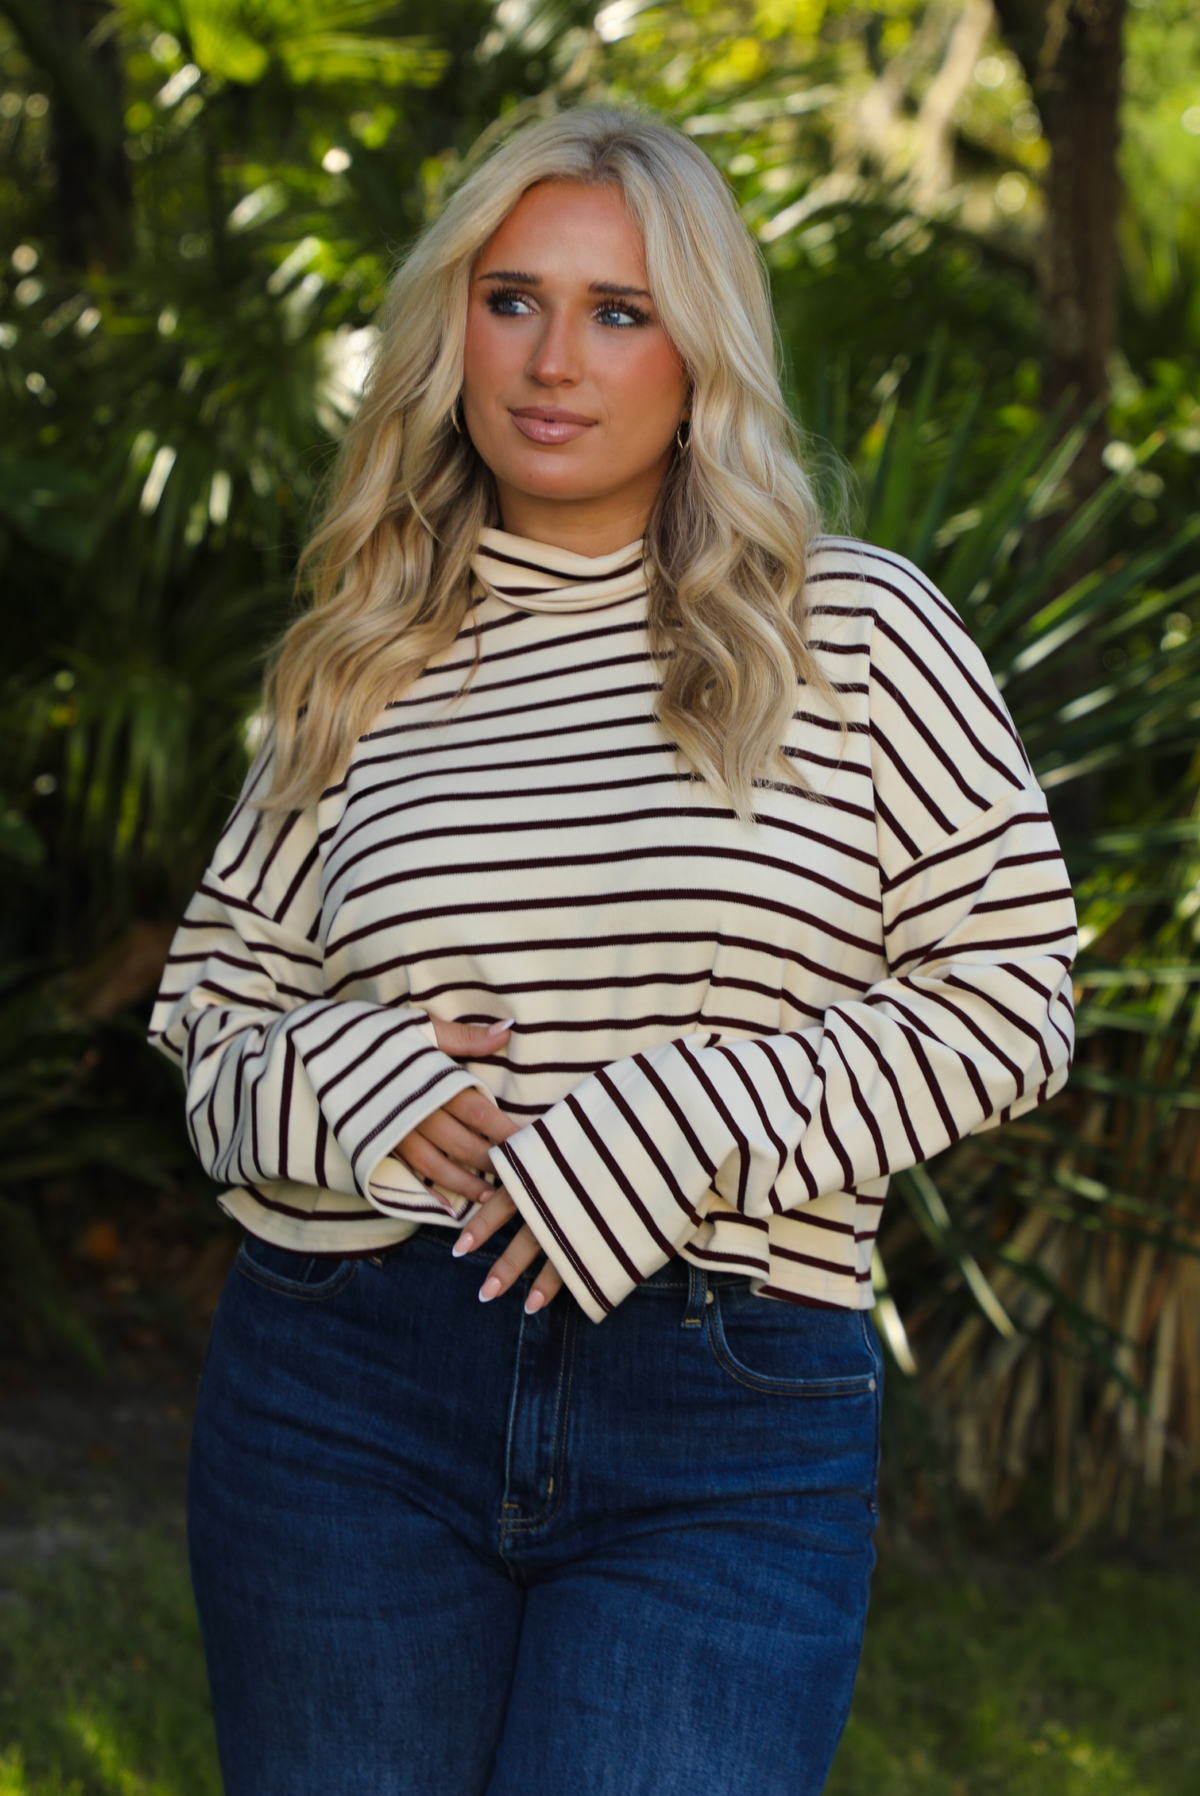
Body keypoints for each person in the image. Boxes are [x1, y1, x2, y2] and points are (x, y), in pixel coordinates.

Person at [150, 107, 1076, 1796]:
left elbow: (1013, 1002)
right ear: (450, 333)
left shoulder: (853, 627)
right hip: (347, 1383)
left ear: (700, 351)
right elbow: (208, 1019)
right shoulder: (367, 657)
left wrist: (688, 1120)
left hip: (723, 1399)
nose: (552, 360)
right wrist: (343, 1078)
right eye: (511, 299)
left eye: (621, 311)